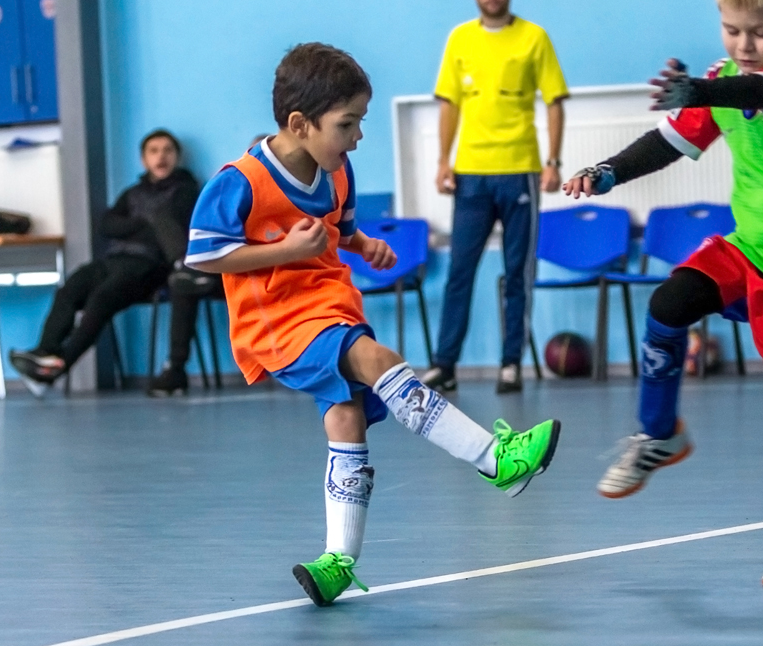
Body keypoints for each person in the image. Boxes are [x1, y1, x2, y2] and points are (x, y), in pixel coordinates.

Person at [184, 43, 559, 606]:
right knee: (378, 360)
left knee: (346, 417)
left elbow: (339, 229)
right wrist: (283, 251)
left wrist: (364, 246)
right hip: (278, 322)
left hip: (331, 305)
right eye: (347, 123)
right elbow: (204, 256)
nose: (358, 136)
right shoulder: (240, 181)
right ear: (299, 124)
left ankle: (338, 561)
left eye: (359, 121)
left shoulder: (337, 171)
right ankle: (495, 460)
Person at [565, 0, 763, 586]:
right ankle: (659, 434)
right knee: (668, 303)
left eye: (760, 32)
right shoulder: (724, 75)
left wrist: (702, 88)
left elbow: (761, 89)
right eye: (732, 30)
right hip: (751, 246)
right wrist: (607, 171)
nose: (745, 45)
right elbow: (671, 140)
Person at [421, 0, 569, 395]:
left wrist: (553, 162)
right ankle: (445, 364)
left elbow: (555, 102)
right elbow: (449, 104)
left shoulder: (534, 37)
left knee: (517, 272)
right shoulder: (460, 38)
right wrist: (443, 161)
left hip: (520, 170)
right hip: (471, 175)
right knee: (459, 271)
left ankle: (510, 364)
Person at [9, 129, 199, 395]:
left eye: (167, 150)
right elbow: (108, 225)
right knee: (72, 287)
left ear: (177, 157)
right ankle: (46, 352)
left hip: (149, 266)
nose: (161, 157)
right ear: (144, 159)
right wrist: (144, 224)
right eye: (154, 151)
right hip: (114, 259)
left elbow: (172, 229)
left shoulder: (187, 191)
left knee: (101, 299)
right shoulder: (132, 193)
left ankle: (57, 369)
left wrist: (135, 226)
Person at [147, 134, 270, 397]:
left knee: (185, 280)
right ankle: (175, 368)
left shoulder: (293, 195)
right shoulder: (233, 191)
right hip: (228, 273)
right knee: (183, 284)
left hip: (269, 274)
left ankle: (187, 271)